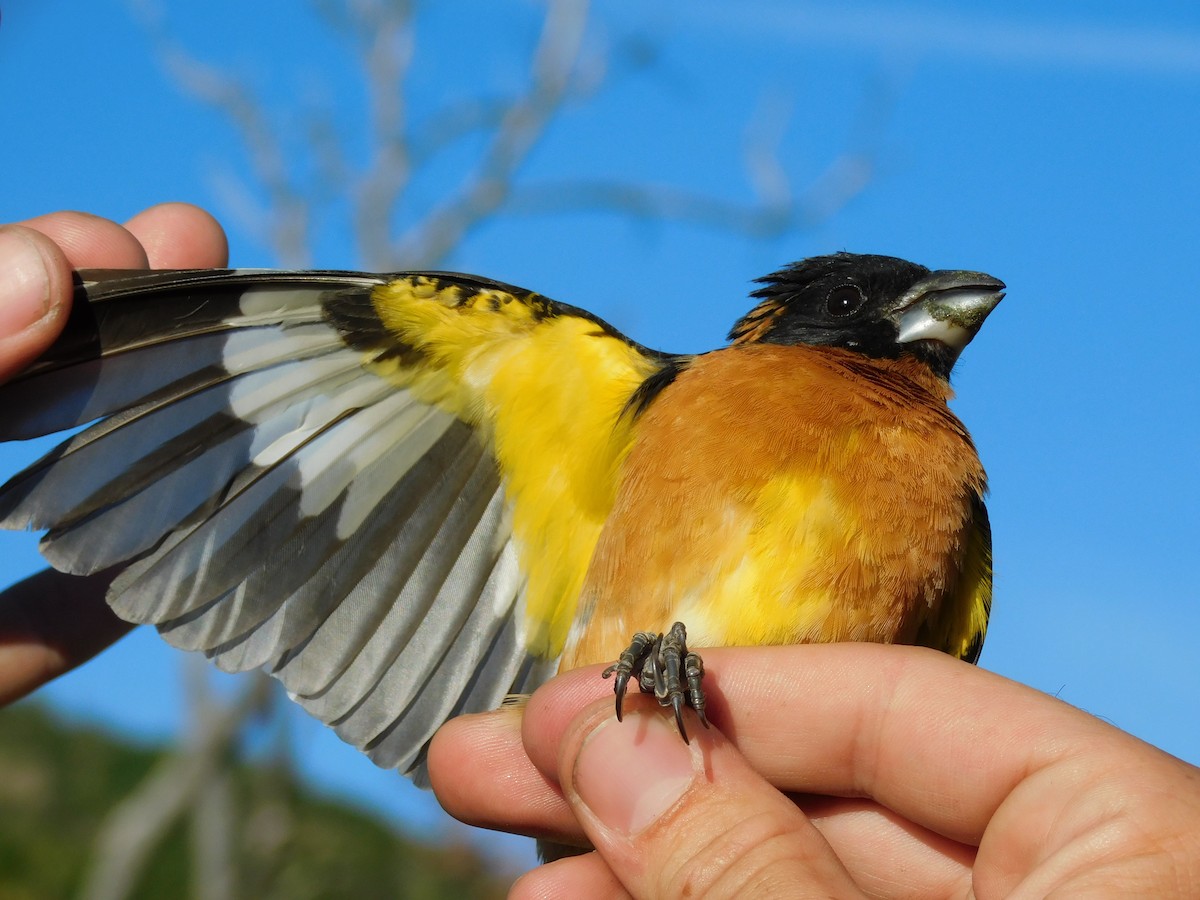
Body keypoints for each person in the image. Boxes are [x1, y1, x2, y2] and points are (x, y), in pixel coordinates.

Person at [3, 208, 1199, 897]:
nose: (926, 311)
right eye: (859, 306)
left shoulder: (956, 513)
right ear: (787, 332)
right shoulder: (625, 396)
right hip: (609, 803)